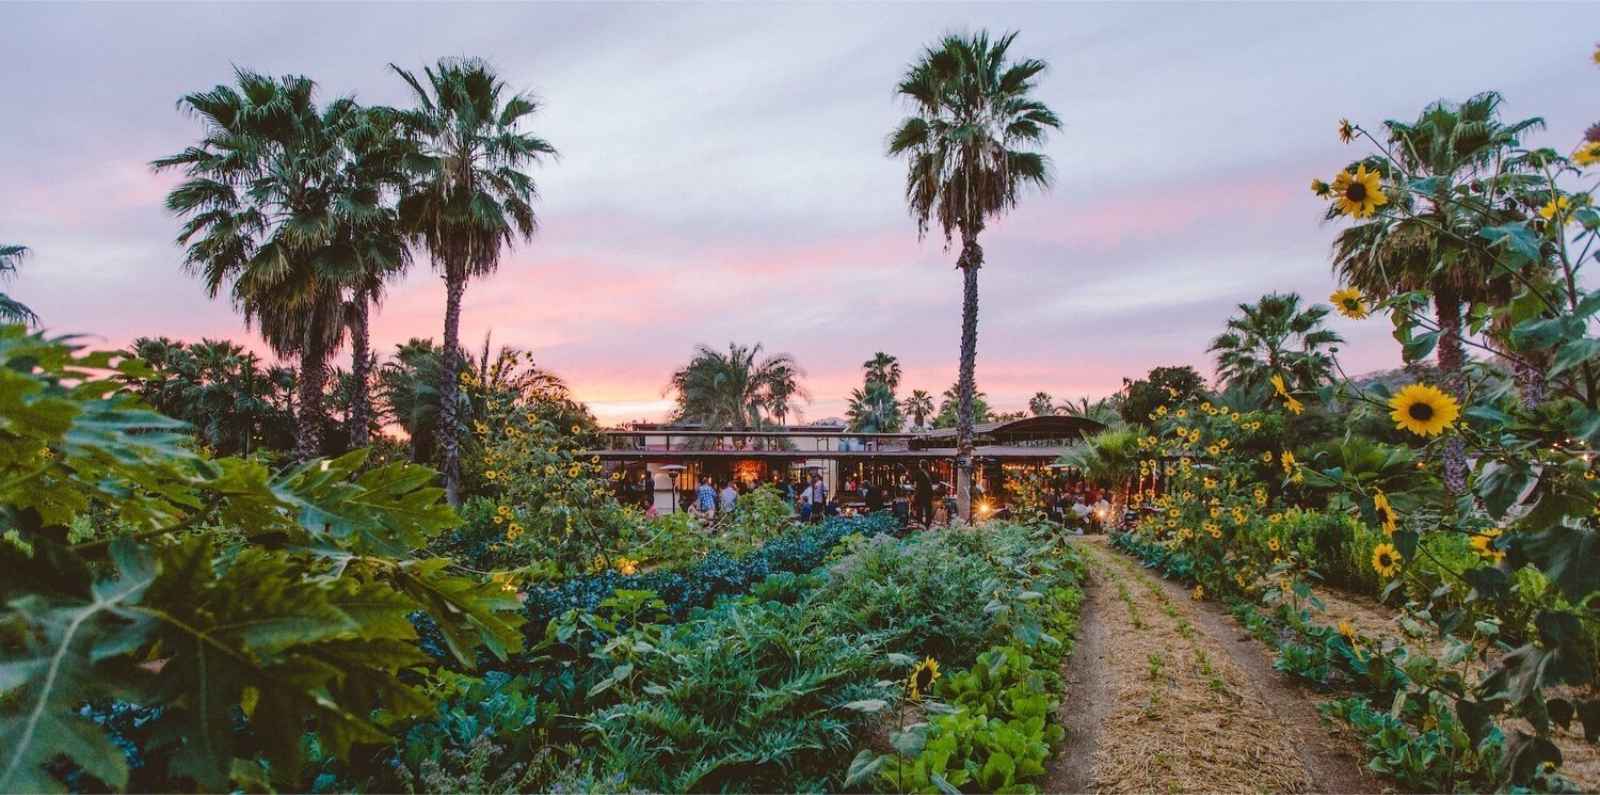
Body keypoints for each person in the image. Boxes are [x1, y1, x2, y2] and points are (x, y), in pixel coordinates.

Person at [913, 461, 933, 528]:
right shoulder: (929, 473)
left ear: (921, 465)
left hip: (920, 493)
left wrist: (914, 490)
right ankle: (928, 523)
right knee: (928, 509)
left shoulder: (918, 472)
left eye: (919, 464)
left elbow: (915, 484)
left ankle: (920, 522)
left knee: (919, 508)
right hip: (928, 493)